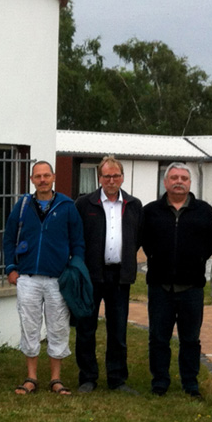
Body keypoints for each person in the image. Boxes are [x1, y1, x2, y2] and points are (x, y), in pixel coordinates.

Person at [3, 161, 84, 396]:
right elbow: (9, 238)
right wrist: (11, 268)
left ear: (54, 177)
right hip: (28, 277)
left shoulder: (67, 206)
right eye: (38, 176)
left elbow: (78, 242)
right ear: (32, 179)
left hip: (58, 278)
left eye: (46, 175)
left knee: (58, 327)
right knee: (29, 326)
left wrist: (74, 269)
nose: (42, 180)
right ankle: (31, 377)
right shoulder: (23, 205)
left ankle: (56, 379)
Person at [141, 162, 212, 397]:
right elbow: (145, 241)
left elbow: (210, 243)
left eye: (184, 178)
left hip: (191, 287)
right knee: (158, 338)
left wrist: (196, 259)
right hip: (160, 286)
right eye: (174, 178)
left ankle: (190, 383)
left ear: (190, 183)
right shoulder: (151, 211)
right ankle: (160, 382)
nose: (179, 182)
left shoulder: (204, 211)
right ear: (165, 182)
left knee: (190, 339)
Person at [74, 156, 143, 394]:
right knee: (86, 329)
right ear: (99, 178)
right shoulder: (84, 204)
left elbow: (136, 238)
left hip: (119, 276)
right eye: (106, 176)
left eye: (115, 176)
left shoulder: (134, 205)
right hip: (91, 275)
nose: (111, 180)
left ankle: (117, 379)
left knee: (118, 330)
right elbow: (76, 236)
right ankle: (87, 377)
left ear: (122, 178)